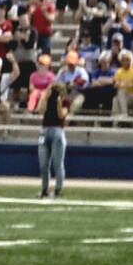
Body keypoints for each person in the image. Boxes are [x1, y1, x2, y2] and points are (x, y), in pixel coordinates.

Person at [37, 70, 73, 199]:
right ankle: (44, 189)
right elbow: (40, 110)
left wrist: (58, 102)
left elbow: (61, 115)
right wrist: (45, 96)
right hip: (45, 130)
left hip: (57, 131)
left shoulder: (65, 102)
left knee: (58, 162)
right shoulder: (47, 100)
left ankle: (58, 189)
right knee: (43, 163)